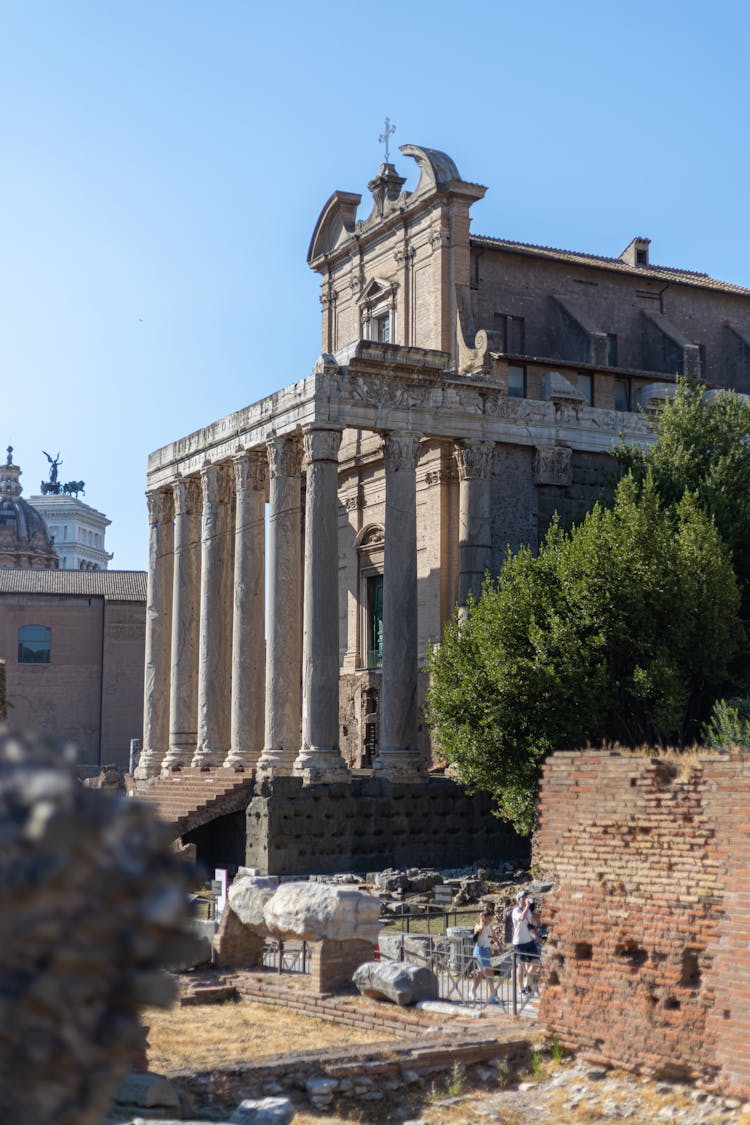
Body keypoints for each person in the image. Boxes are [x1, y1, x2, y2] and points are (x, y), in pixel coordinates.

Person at [512, 889, 538, 996]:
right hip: (519, 942)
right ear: (519, 899)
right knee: (521, 966)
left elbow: (532, 924)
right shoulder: (516, 911)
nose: (525, 898)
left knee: (535, 963)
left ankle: (528, 985)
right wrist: (527, 907)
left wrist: (535, 935)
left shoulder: (529, 912)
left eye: (526, 896)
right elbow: (521, 918)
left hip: (529, 941)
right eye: (523, 897)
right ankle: (521, 988)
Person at [470, 909, 500, 1004]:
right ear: (484, 918)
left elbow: (495, 938)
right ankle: (492, 996)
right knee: (489, 973)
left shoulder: (489, 928)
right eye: (488, 919)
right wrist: (482, 922)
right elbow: (479, 930)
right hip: (479, 951)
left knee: (480, 974)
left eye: (491, 920)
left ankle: (472, 991)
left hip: (487, 951)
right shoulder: (478, 926)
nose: (490, 921)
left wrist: (500, 947)